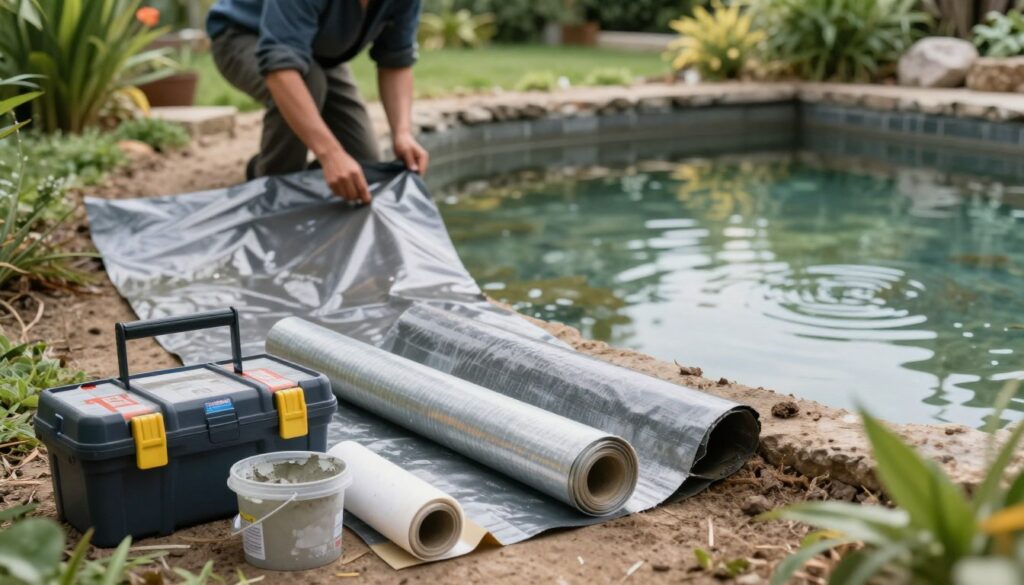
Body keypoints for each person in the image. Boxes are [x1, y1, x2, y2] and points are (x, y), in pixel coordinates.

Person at [206, 0, 429, 203]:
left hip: (315, 51)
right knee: (310, 81)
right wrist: (330, 154)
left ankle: (263, 168)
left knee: (363, 165)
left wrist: (402, 132)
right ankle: (274, 191)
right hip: (242, 34)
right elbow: (280, 70)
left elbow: (395, 61)